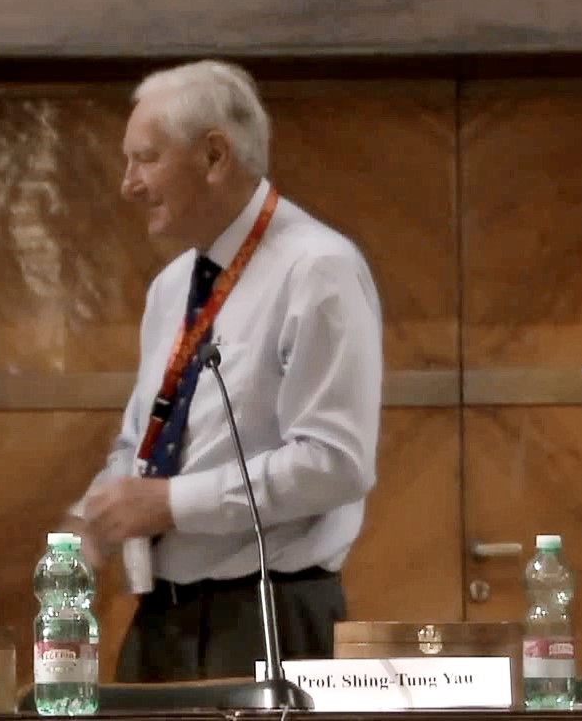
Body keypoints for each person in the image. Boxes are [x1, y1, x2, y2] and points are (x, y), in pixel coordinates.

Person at [65, 60, 383, 681]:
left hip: (269, 616)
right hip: (161, 620)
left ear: (214, 155)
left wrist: (170, 504)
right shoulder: (172, 286)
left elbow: (336, 463)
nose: (127, 184)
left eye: (145, 158)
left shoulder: (318, 268)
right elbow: (143, 441)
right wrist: (94, 516)